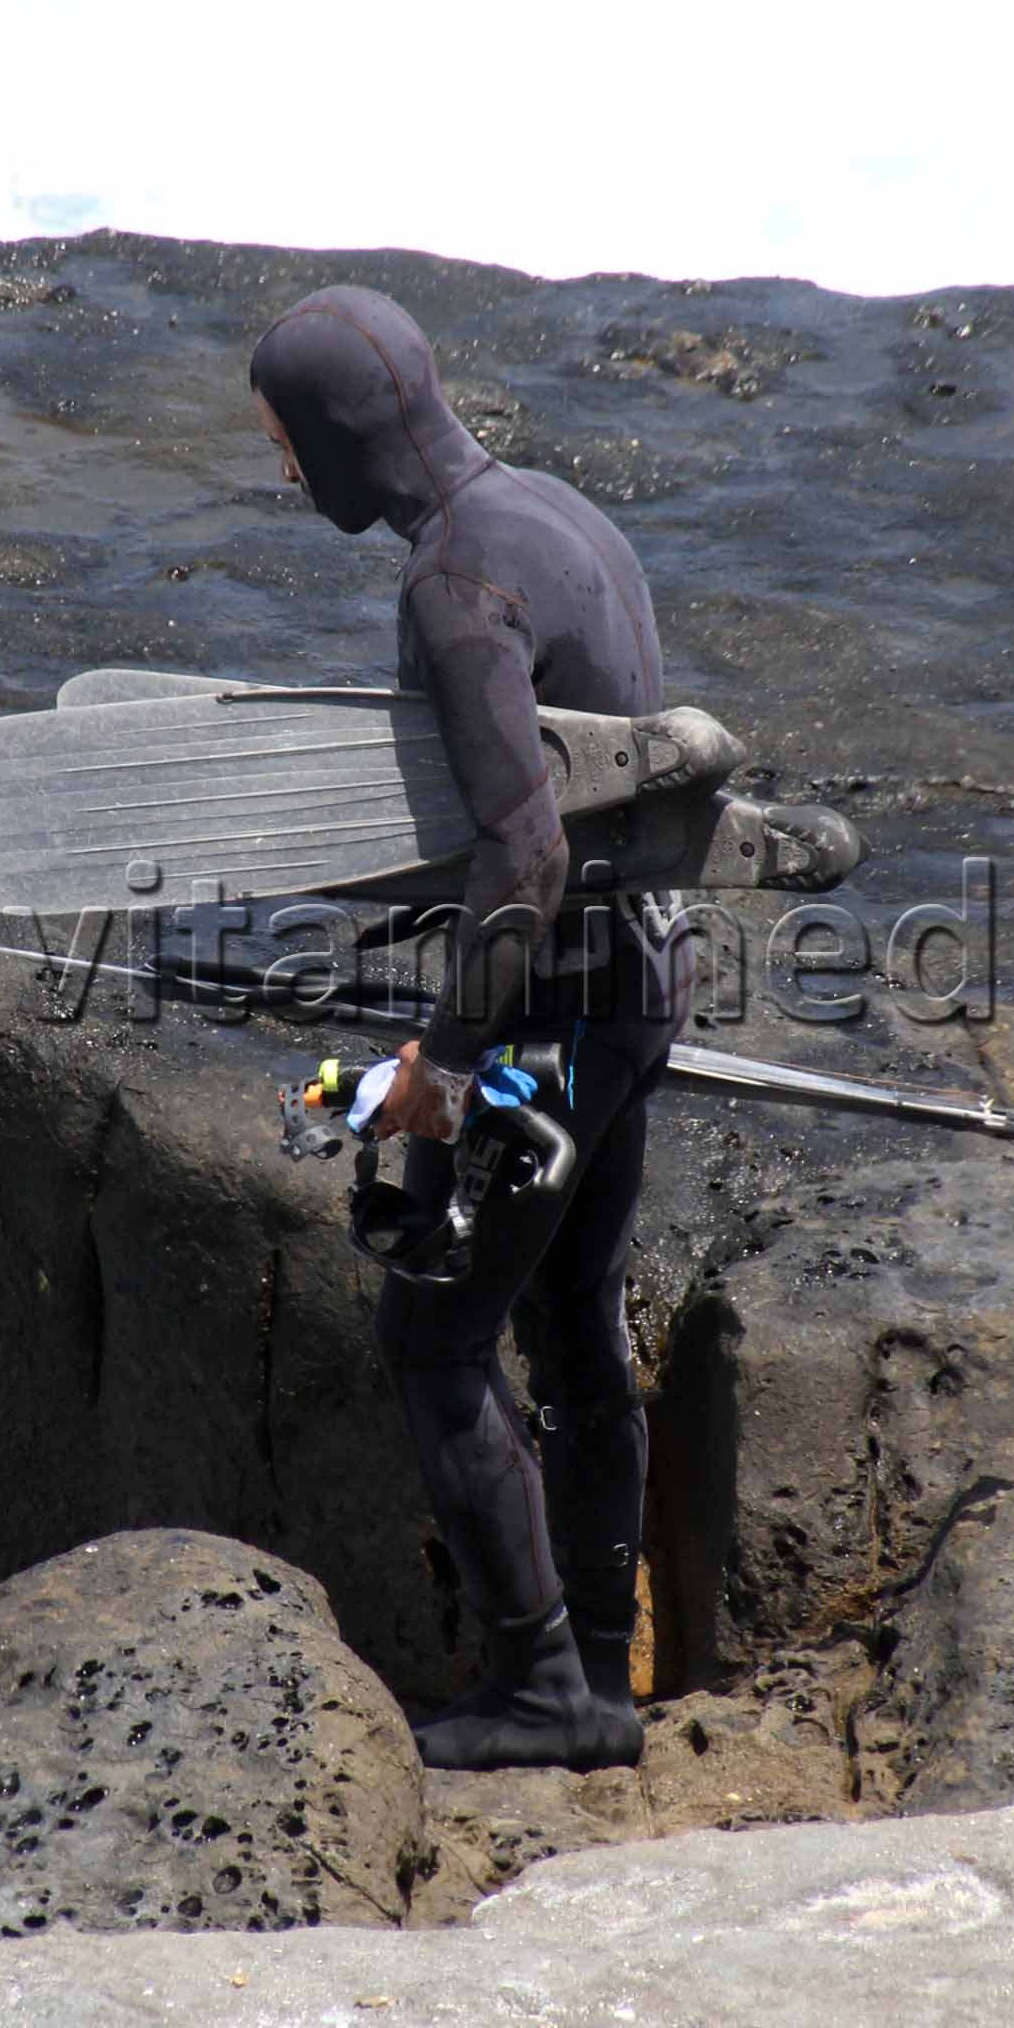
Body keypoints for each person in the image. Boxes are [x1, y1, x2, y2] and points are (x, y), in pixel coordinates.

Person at [250, 283, 692, 1773]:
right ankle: (607, 1669)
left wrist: (440, 1065)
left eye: (287, 445)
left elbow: (524, 854)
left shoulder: (456, 585)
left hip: (551, 1020)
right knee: (574, 1323)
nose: (285, 476)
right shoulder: (558, 513)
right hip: (639, 982)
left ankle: (543, 1685)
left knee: (436, 1339)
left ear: (337, 436)